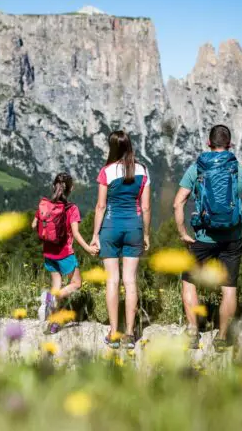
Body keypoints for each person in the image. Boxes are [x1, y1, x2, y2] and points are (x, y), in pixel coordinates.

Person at [173, 124, 242, 350]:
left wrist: (183, 233)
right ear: (230, 145)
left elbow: (177, 203)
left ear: (209, 144)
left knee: (189, 281)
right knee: (229, 287)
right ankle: (221, 338)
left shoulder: (197, 169)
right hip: (232, 238)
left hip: (203, 236)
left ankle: (192, 332)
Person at [90, 131, 151, 350]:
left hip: (110, 227)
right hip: (133, 227)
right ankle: (129, 334)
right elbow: (145, 207)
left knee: (112, 281)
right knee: (130, 281)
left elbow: (100, 206)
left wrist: (95, 235)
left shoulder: (106, 171)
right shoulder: (143, 170)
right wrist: (145, 234)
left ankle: (113, 332)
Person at [33, 172, 98, 334]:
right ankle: (50, 298)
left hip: (48, 252)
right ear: (71, 189)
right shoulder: (71, 208)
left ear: (53, 186)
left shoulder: (44, 204)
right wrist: (89, 249)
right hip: (65, 254)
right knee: (76, 284)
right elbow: (76, 234)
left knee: (57, 286)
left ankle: (53, 324)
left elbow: (34, 225)